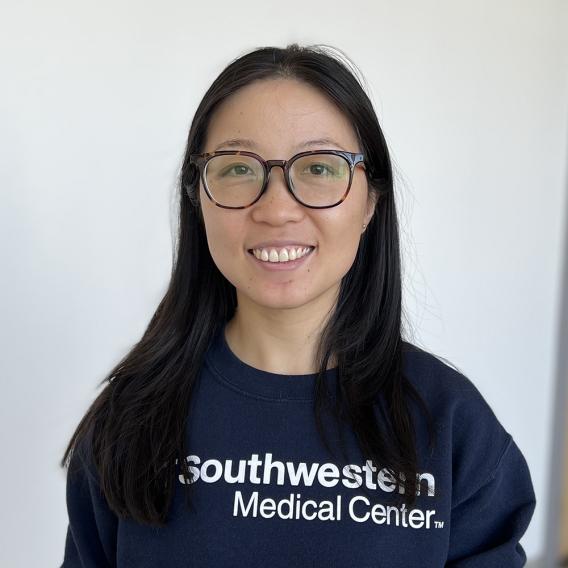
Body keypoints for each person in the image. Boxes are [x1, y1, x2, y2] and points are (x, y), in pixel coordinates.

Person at [60, 43, 536, 567]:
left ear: (371, 201)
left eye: (320, 168)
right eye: (238, 169)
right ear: (197, 197)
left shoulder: (451, 425)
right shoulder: (131, 418)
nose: (277, 209)